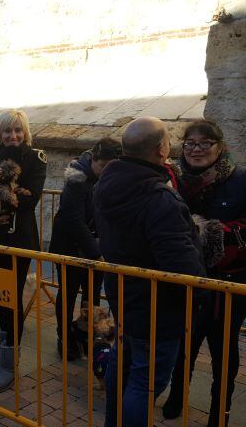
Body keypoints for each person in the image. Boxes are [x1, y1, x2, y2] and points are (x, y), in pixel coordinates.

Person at [161, 120, 246, 427]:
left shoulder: (244, 180)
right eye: (190, 143)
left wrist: (229, 242)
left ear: (219, 146)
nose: (196, 150)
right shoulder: (174, 180)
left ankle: (219, 410)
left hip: (231, 283)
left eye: (205, 143)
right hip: (187, 280)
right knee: (185, 342)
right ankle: (177, 396)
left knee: (223, 348)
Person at [93, 117, 205, 427]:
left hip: (124, 296)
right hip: (158, 308)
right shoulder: (159, 198)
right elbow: (182, 266)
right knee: (144, 383)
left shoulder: (106, 183)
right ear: (160, 150)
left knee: (124, 364)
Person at [0, 109, 46, 391]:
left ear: (25, 131)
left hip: (18, 238)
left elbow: (30, 200)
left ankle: (10, 362)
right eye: (7, 131)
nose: (13, 136)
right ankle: (2, 347)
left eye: (17, 130)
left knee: (10, 299)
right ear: (0, 133)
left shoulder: (35, 159)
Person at [49, 138, 122, 360]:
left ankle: (86, 334)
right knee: (68, 293)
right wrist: (97, 253)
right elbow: (74, 221)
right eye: (103, 167)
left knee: (91, 295)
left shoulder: (109, 179)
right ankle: (64, 337)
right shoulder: (76, 180)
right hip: (70, 248)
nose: (107, 172)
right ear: (93, 159)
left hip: (95, 247)